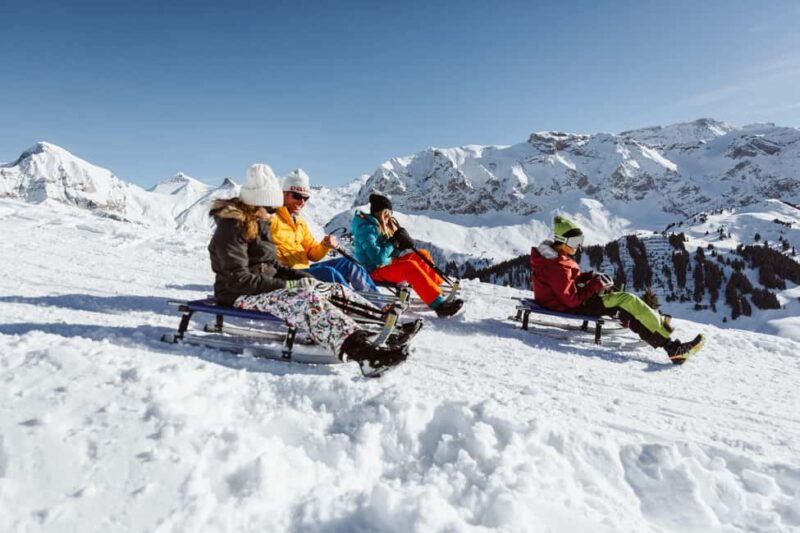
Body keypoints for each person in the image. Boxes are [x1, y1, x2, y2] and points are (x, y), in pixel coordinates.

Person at [208, 163, 409, 375]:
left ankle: (385, 325)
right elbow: (238, 280)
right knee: (304, 299)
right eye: (269, 209)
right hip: (238, 294)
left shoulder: (259, 223)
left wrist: (302, 277)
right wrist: (291, 284)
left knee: (331, 288)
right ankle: (364, 355)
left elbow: (274, 265)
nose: (272, 215)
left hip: (266, 287)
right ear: (254, 205)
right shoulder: (230, 228)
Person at [530, 215, 704, 364]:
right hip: (566, 304)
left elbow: (566, 282)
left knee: (618, 297)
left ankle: (655, 323)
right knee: (626, 301)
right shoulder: (557, 265)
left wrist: (590, 277)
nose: (578, 246)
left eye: (580, 241)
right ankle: (672, 347)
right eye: (575, 241)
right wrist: (594, 284)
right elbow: (570, 299)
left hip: (560, 300)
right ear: (562, 240)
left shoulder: (555, 258)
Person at [351, 193, 464, 317]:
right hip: (372, 272)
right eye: (388, 214)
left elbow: (389, 255)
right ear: (382, 213)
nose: (390, 218)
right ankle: (439, 306)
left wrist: (400, 246)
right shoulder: (366, 229)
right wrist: (393, 242)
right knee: (409, 266)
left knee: (422, 254)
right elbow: (378, 258)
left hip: (384, 266)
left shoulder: (378, 226)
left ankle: (437, 289)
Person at [270, 169, 378, 292]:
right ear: (284, 194)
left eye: (306, 198)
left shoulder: (299, 223)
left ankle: (381, 304)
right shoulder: (272, 219)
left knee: (349, 264)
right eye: (297, 196)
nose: (301, 202)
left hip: (305, 270)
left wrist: (324, 245)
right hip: (287, 275)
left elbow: (313, 254)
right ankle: (356, 303)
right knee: (328, 273)